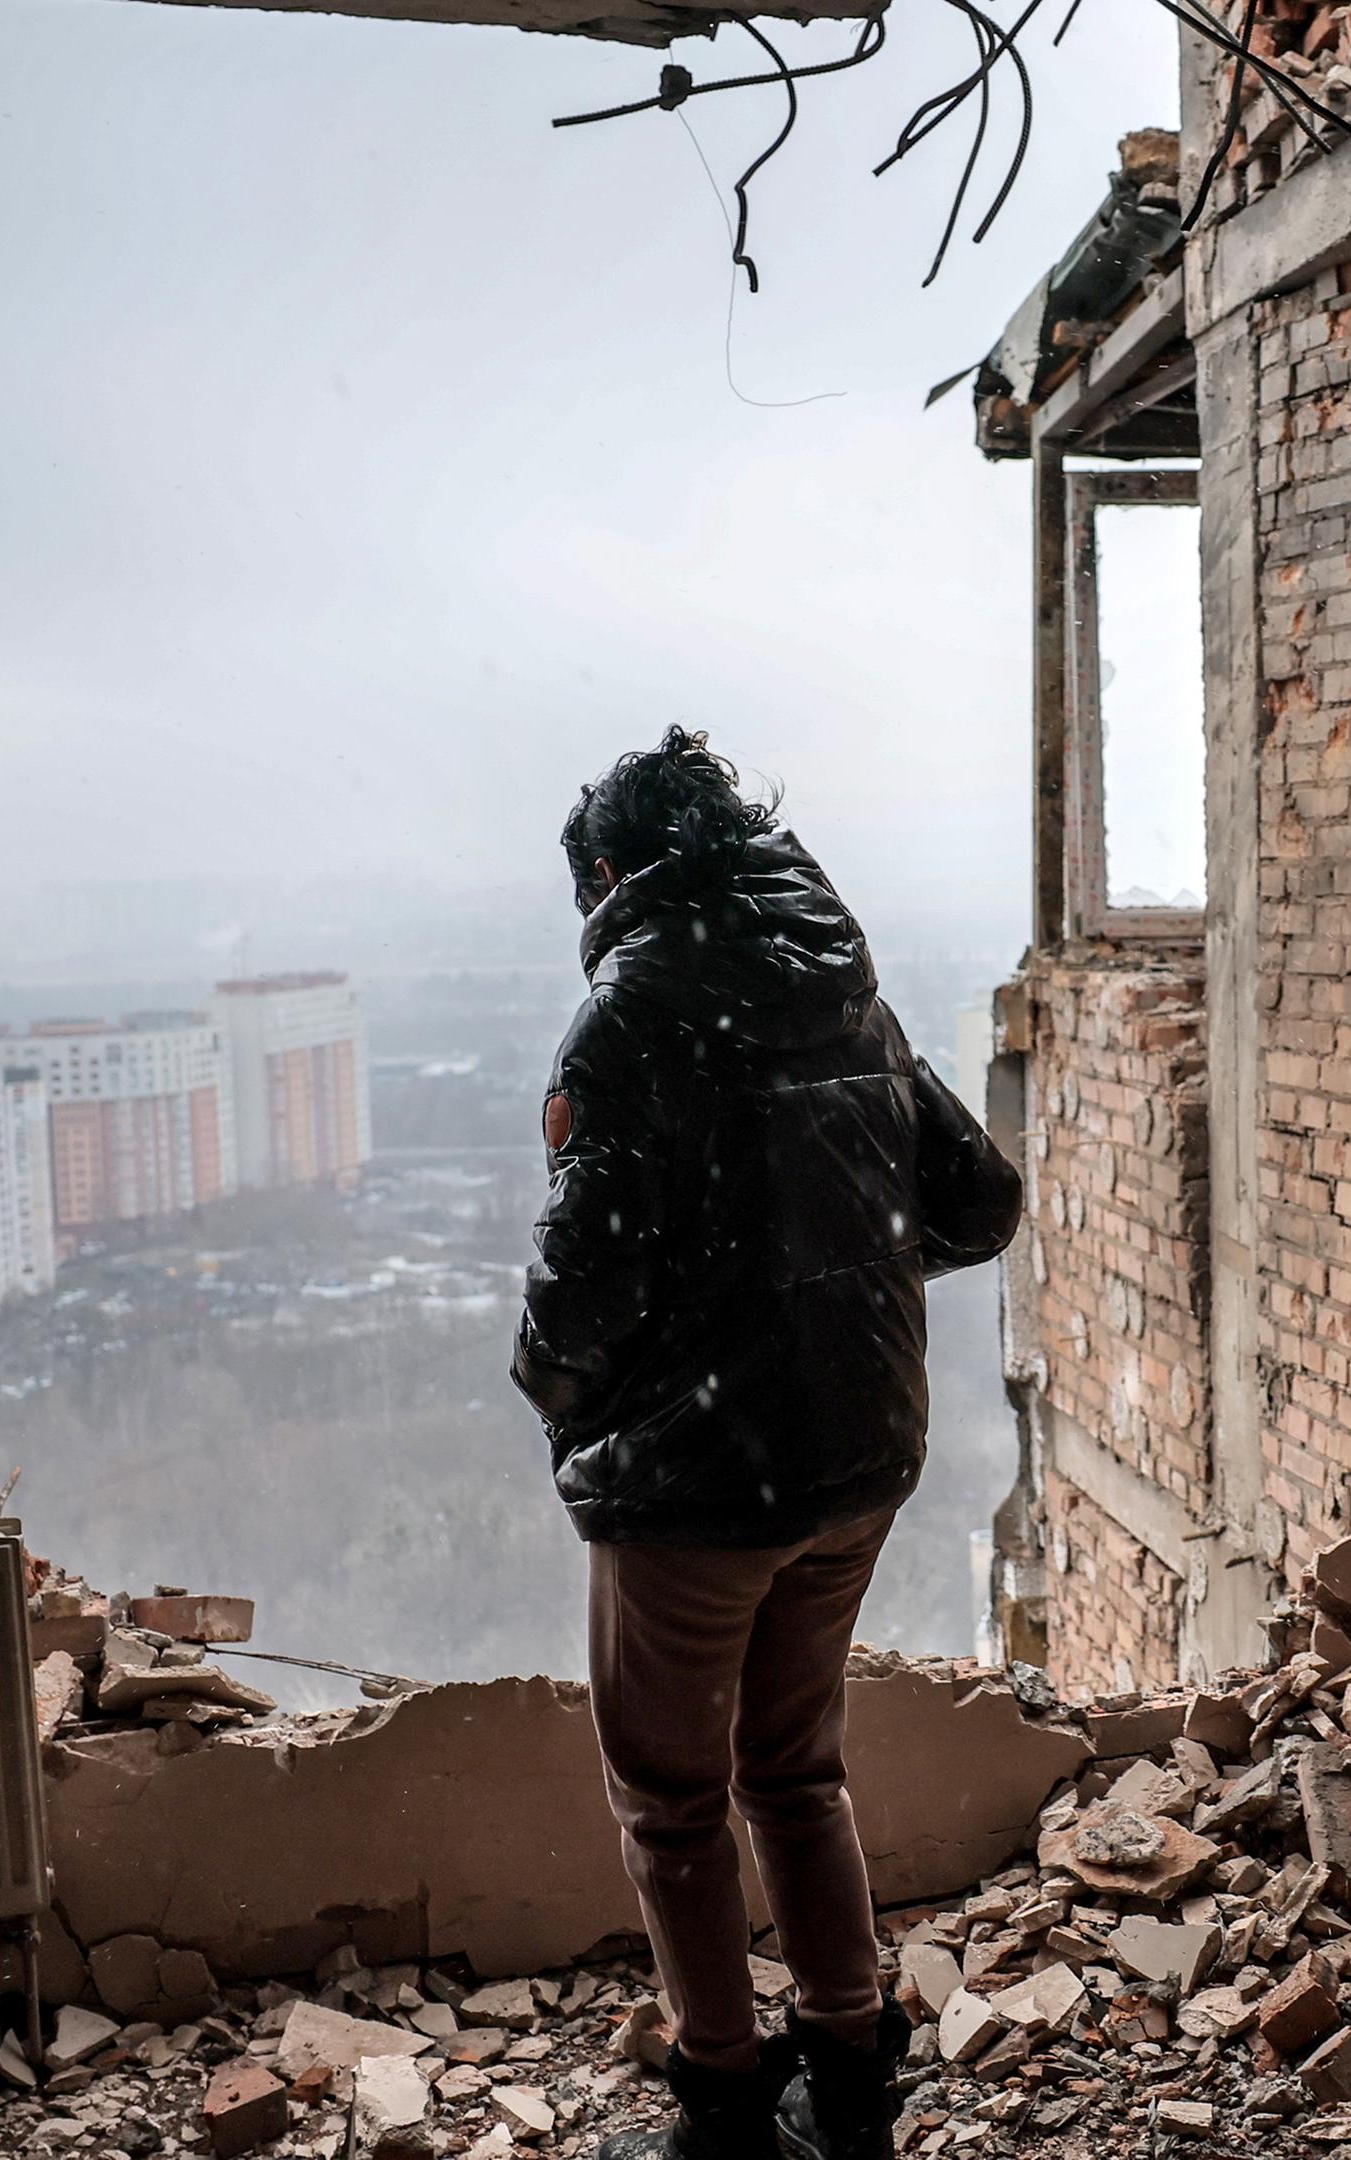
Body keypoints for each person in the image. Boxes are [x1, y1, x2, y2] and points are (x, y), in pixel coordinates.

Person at [515, 727, 1023, 2160]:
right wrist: (828, 1288)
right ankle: (852, 2078)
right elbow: (976, 1203)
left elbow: (582, 1289)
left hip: (696, 1483)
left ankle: (727, 2107)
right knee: (795, 1768)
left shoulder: (628, 1014)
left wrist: (565, 1402)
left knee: (671, 1801)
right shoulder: (842, 988)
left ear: (610, 873)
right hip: (860, 1456)